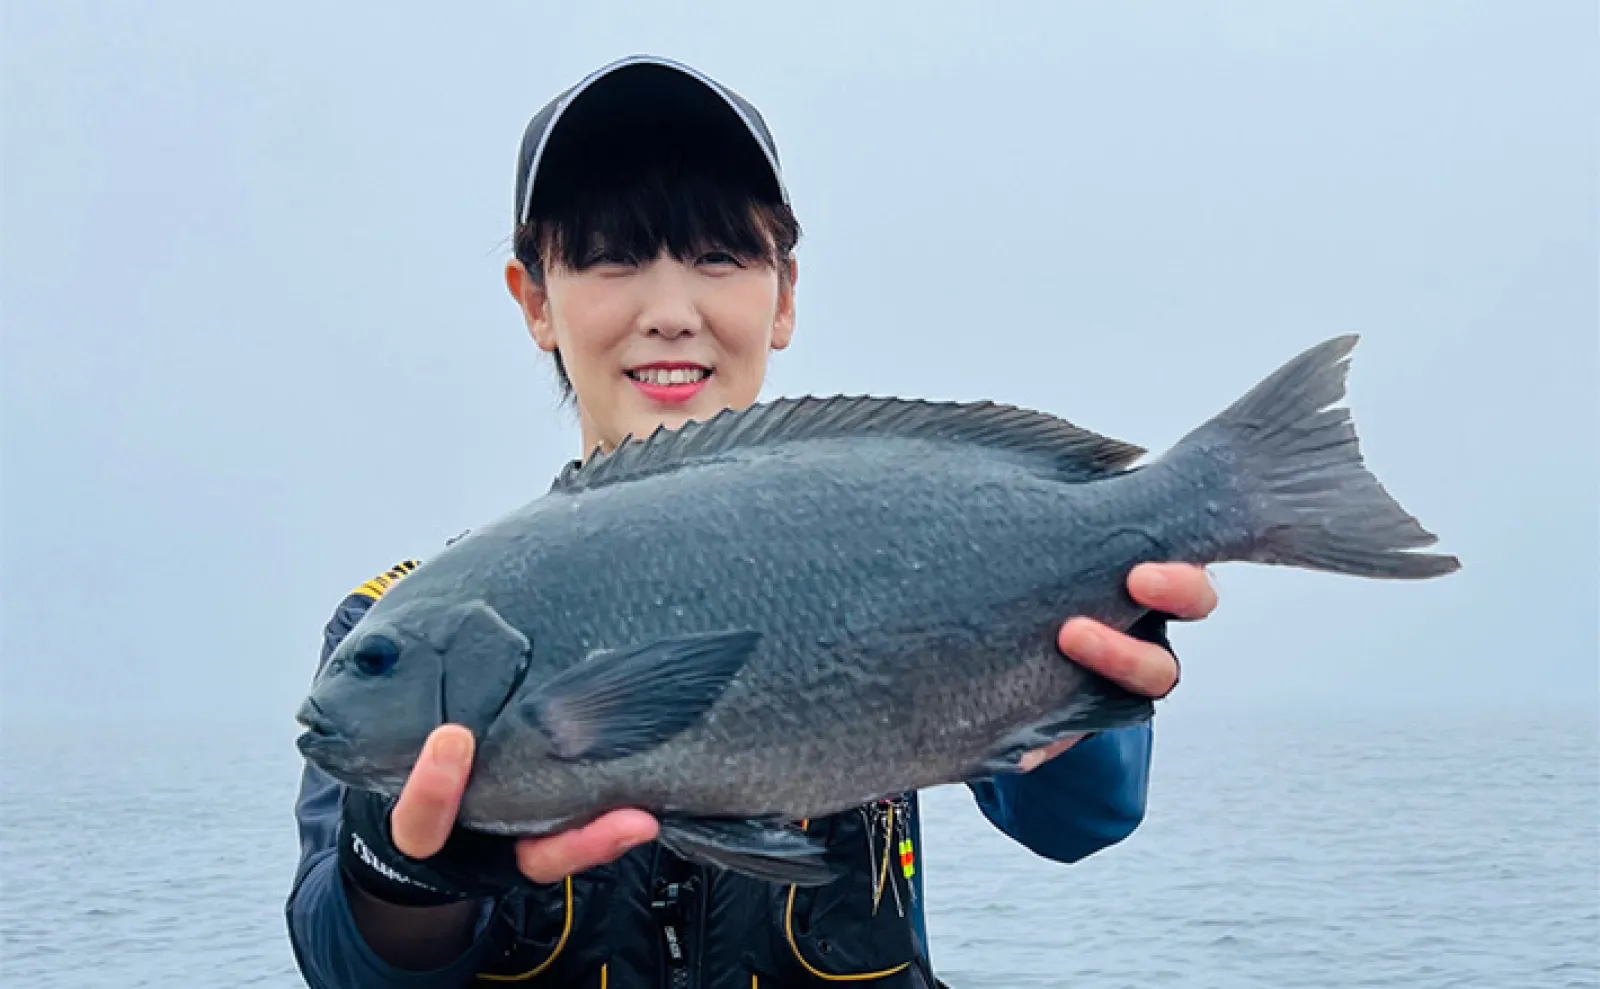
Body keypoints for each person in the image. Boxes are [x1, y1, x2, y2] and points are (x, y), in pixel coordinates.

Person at [285, 55, 1219, 989]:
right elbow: (347, 961)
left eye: (719, 257)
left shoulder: (869, 527)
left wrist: (1078, 682)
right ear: (536, 300)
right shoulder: (396, 616)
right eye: (611, 257)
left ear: (784, 295)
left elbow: (1081, 822)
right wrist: (404, 869)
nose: (670, 311)